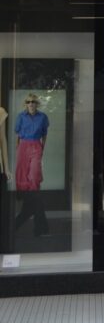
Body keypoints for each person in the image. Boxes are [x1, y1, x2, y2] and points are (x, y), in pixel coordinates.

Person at [14, 94, 50, 237]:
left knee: (34, 175)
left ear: (37, 104)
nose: (31, 104)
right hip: (23, 145)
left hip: (36, 144)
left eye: (33, 102)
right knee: (22, 174)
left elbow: (45, 134)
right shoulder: (20, 116)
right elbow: (17, 135)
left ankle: (29, 197)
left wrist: (42, 148)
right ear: (25, 104)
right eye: (28, 102)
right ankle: (40, 228)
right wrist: (18, 150)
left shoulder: (43, 117)